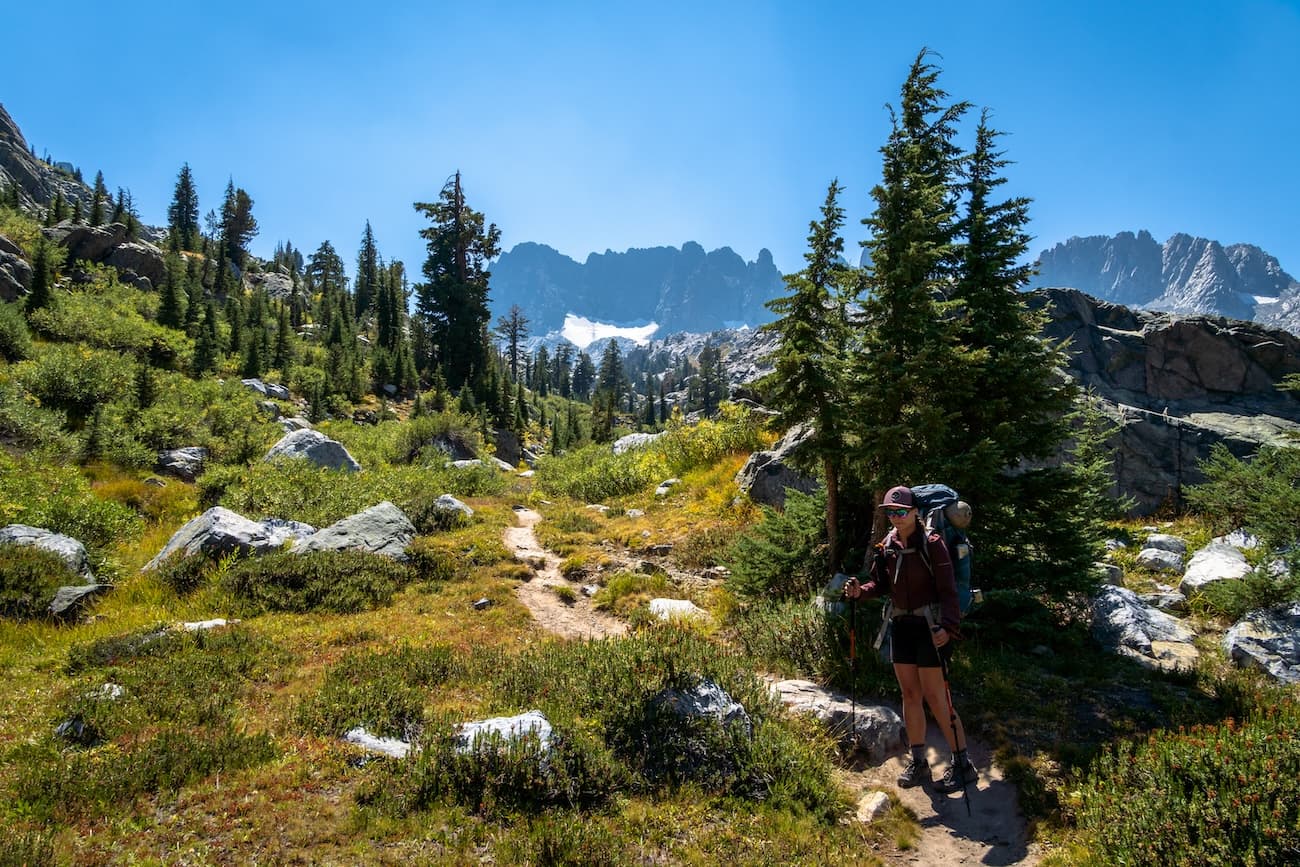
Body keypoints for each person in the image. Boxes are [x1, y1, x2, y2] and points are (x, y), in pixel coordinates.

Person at [843, 484, 977, 793]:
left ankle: (963, 765)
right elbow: (879, 585)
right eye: (890, 512)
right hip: (901, 626)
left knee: (936, 697)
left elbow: (948, 591)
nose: (895, 517)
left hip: (930, 629)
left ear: (916, 512)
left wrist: (949, 628)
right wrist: (858, 592)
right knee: (910, 695)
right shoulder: (887, 546)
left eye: (901, 511)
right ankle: (919, 762)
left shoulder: (934, 544)